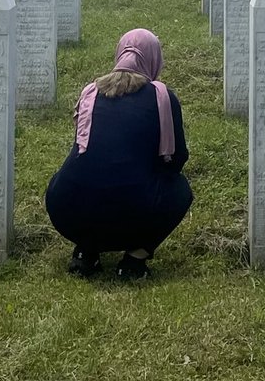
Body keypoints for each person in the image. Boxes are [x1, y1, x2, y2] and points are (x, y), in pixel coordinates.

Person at [45, 28, 193, 280]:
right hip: (133, 212)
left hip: (67, 207)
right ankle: (134, 260)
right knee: (179, 190)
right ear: (154, 59)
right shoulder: (162, 97)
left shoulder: (90, 92)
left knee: (79, 177)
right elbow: (176, 160)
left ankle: (86, 252)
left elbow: (85, 152)